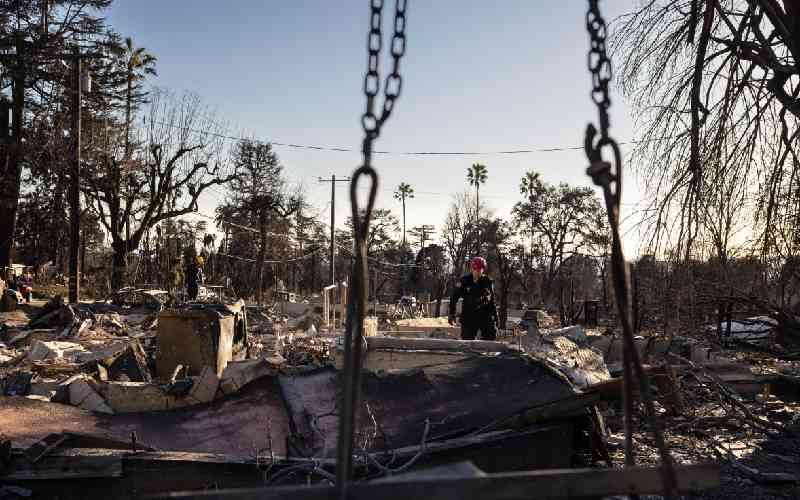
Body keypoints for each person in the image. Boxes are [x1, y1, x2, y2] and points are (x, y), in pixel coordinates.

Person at [448, 256, 499, 341]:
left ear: (483, 269)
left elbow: (492, 301)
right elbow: (454, 298)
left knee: (491, 336)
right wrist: (451, 314)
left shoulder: (487, 282)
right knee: (467, 341)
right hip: (469, 315)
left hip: (485, 315)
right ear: (472, 269)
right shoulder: (464, 281)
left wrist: (496, 318)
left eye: (480, 270)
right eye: (476, 270)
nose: (478, 272)